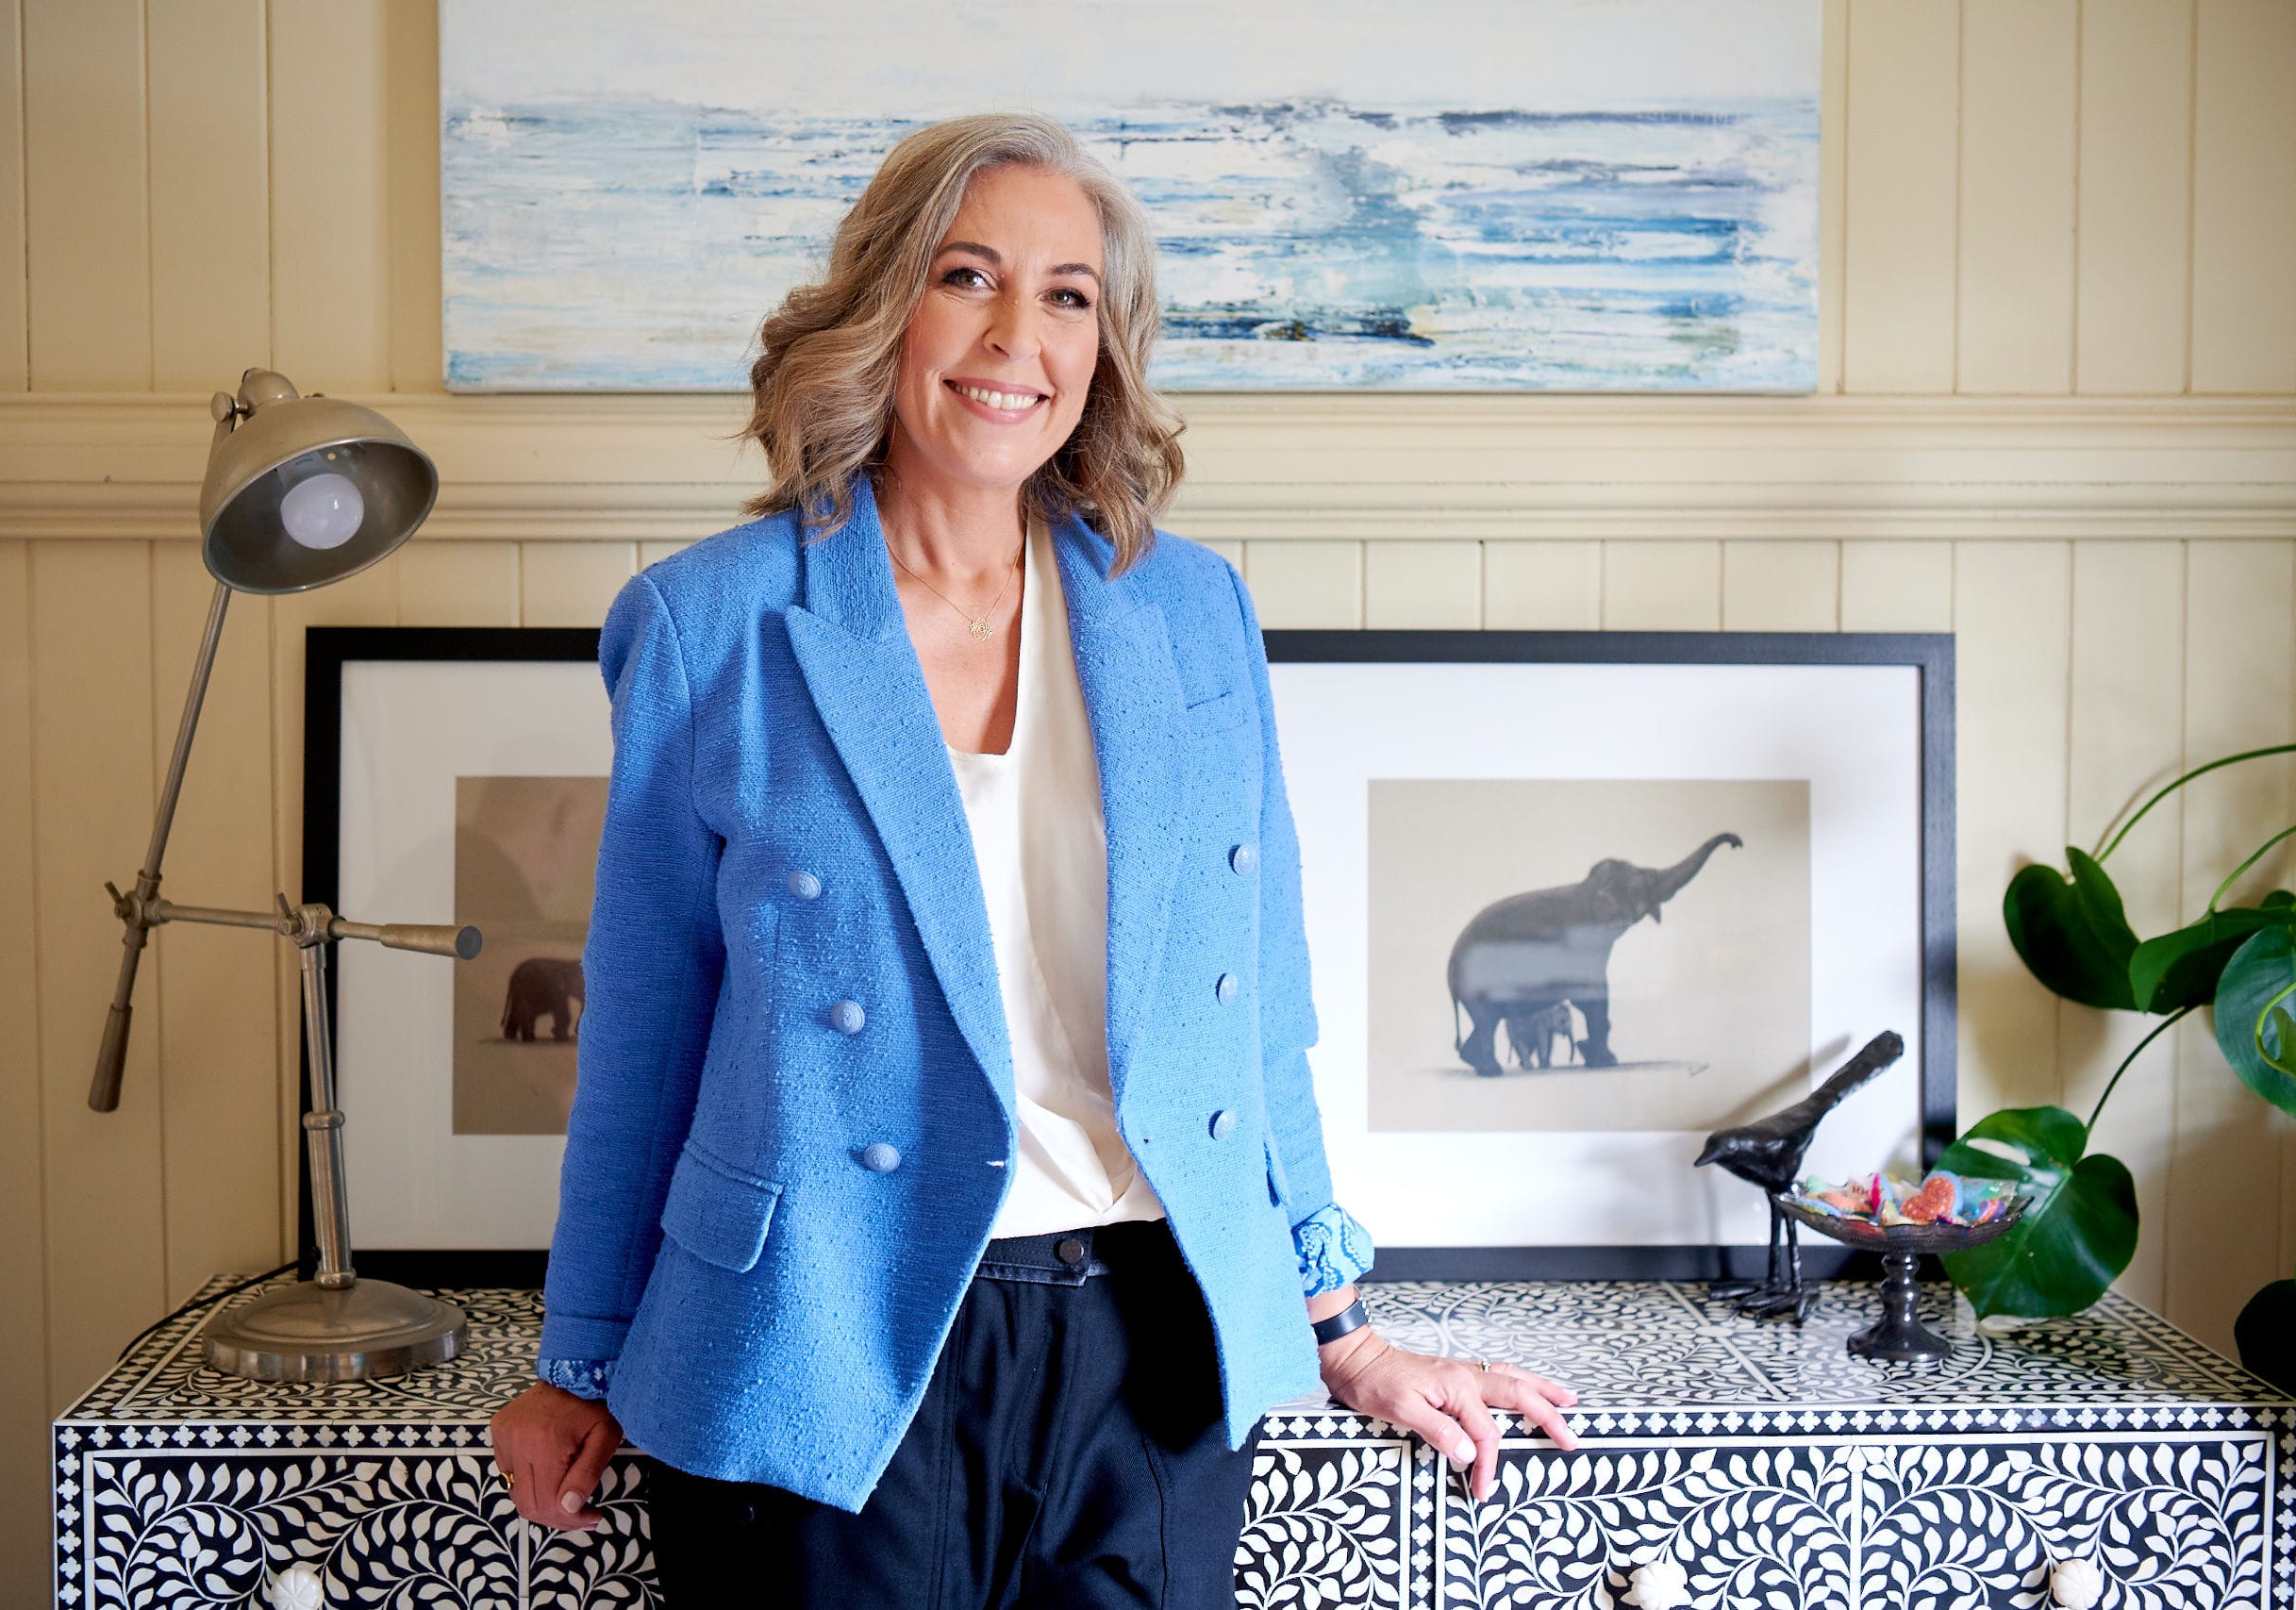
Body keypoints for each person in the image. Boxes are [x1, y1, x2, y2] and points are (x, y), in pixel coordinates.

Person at [489, 110, 1578, 1606]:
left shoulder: (1191, 614)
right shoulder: (710, 626)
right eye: (968, 276)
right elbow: (646, 1024)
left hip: (1151, 1348)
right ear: (883, 305)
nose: (1018, 335)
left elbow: (1254, 1007)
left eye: (1069, 294)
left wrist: (1343, 1325)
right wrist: (578, 1357)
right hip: (817, 1338)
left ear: (1105, 344)